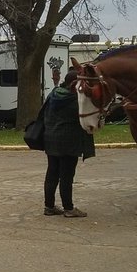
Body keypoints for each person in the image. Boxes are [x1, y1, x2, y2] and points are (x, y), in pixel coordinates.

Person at [42, 67, 95, 217]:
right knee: (66, 176)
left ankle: (49, 206)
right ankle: (69, 208)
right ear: (74, 83)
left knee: (52, 173)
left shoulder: (53, 94)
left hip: (51, 139)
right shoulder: (75, 100)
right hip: (69, 142)